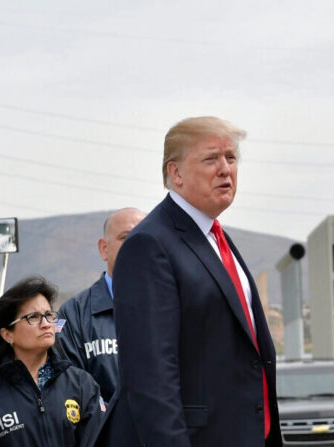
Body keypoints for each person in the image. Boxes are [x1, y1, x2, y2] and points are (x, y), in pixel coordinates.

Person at [103, 116, 281, 447]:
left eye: (231, 158)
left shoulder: (216, 238)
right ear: (176, 173)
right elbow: (151, 380)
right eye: (211, 158)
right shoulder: (150, 245)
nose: (226, 169)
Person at [0, 276, 104, 447]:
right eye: (33, 317)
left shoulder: (82, 385)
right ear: (7, 335)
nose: (46, 324)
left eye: (49, 315)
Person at [57, 207, 145, 402]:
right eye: (125, 237)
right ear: (104, 249)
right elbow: (68, 390)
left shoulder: (173, 306)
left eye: (144, 238)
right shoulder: (74, 315)